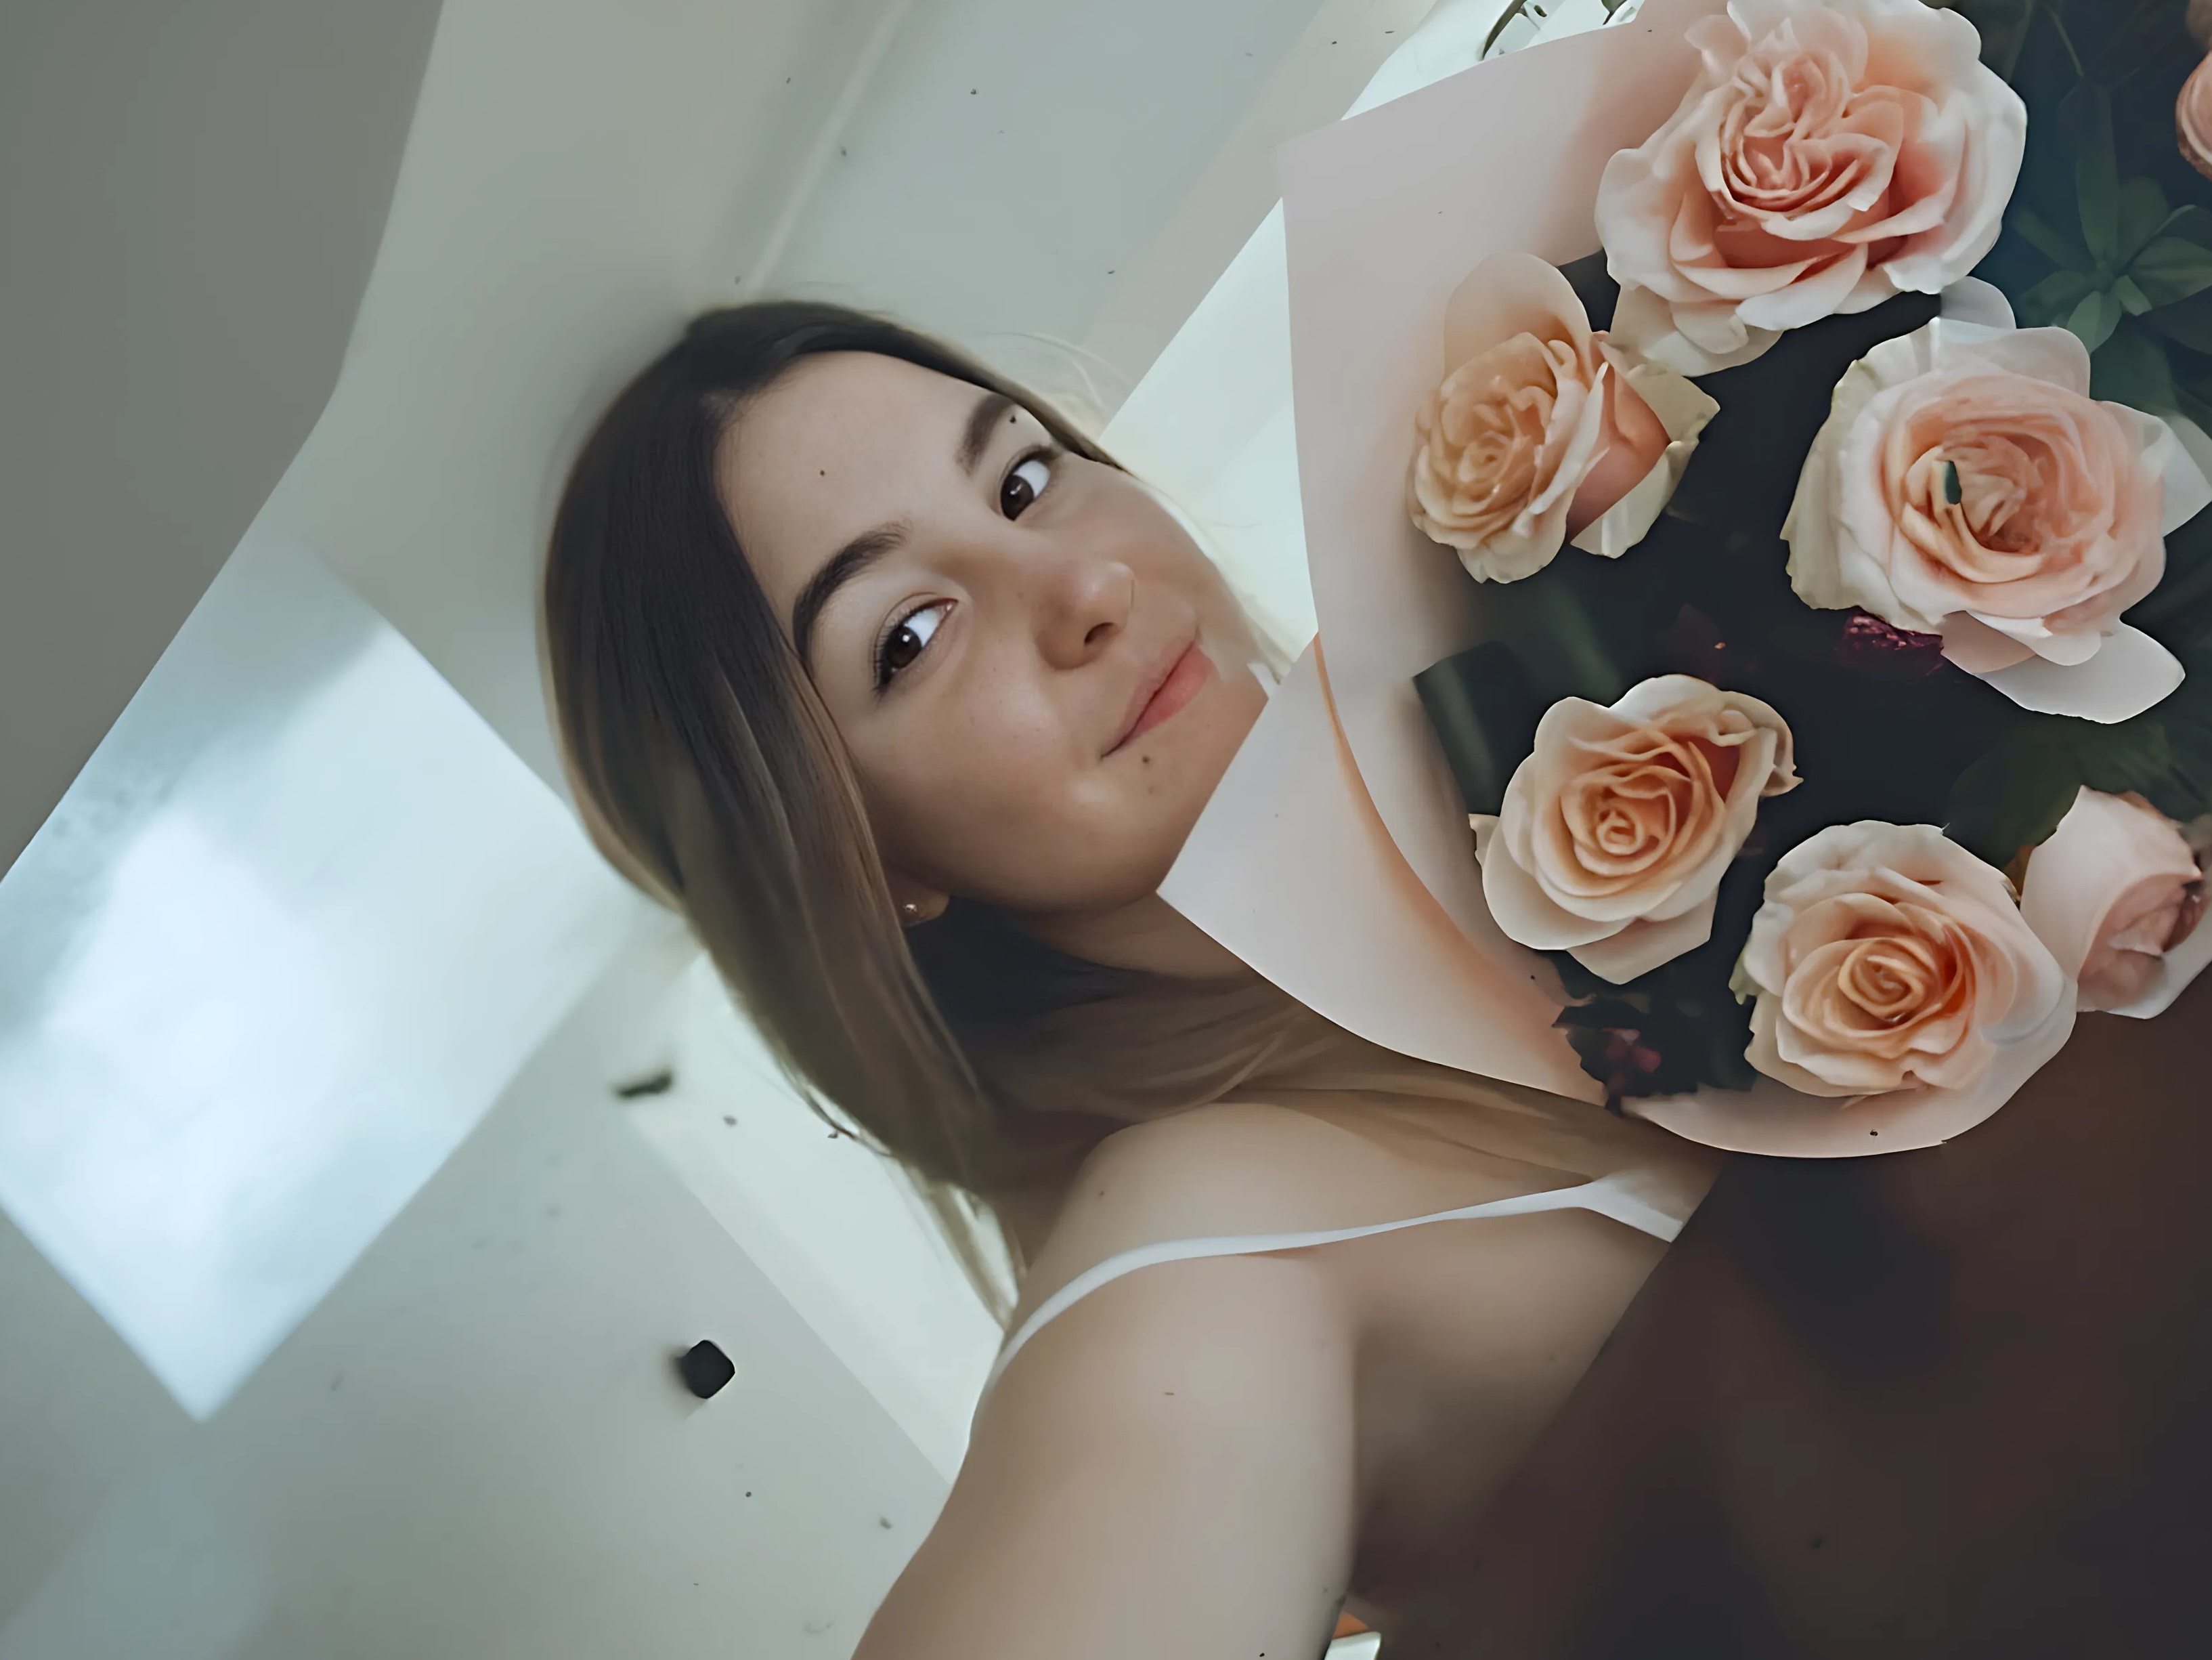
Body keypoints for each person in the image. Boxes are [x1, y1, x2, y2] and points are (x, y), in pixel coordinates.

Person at [541, 300, 1720, 1659]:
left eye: (1022, 481)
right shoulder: (1202, 1233)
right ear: (862, 859)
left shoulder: (1552, 744)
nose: (1086, 590)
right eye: (909, 634)